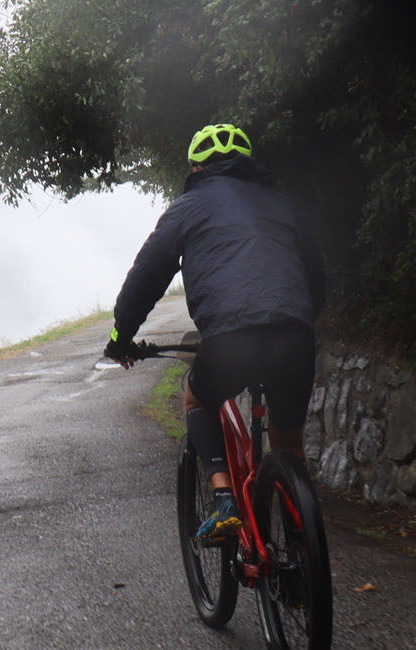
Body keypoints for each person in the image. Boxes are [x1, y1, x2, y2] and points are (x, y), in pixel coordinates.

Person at [104, 123, 327, 545]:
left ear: (197, 167)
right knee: (289, 445)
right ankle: (303, 549)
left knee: (197, 397)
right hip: (293, 334)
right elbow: (316, 276)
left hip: (230, 338)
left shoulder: (187, 207)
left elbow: (146, 277)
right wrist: (297, 319)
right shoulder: (281, 205)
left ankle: (223, 500)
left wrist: (121, 337)